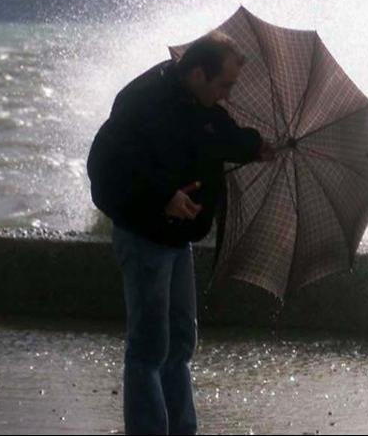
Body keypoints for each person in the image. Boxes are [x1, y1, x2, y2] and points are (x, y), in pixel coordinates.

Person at [87, 30, 273, 435]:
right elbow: (107, 167)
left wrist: (256, 146)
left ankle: (182, 429)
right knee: (149, 348)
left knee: (180, 344)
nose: (227, 95)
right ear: (197, 75)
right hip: (144, 236)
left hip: (177, 239)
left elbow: (218, 134)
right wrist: (162, 197)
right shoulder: (143, 100)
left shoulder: (198, 104)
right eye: (223, 84)